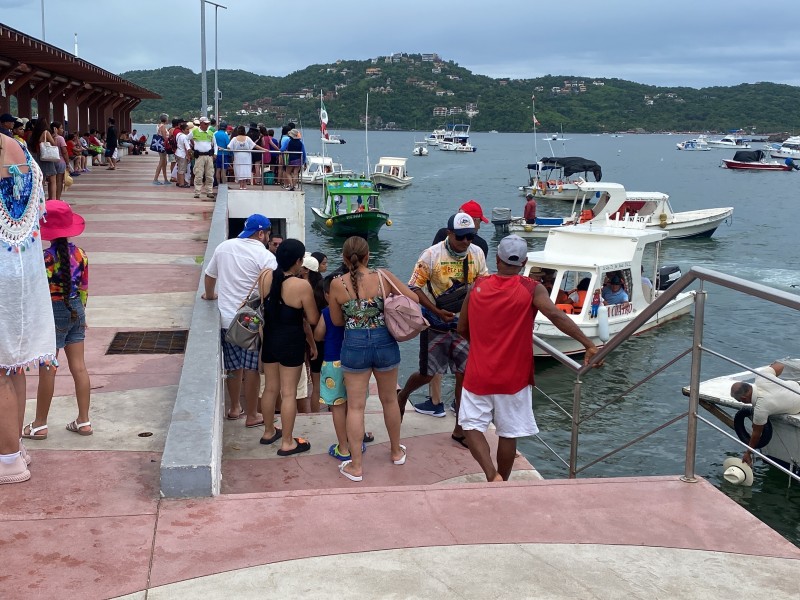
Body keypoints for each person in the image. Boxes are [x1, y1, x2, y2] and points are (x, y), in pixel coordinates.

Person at [457, 235, 599, 482]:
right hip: (514, 376)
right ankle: (503, 479)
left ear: (498, 258)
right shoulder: (532, 288)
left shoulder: (478, 285)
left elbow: (461, 328)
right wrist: (588, 343)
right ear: (523, 262)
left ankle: (492, 476)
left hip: (478, 372)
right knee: (508, 433)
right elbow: (556, 315)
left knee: (470, 426)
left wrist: (480, 345)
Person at [397, 212, 489, 448]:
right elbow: (414, 287)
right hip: (436, 323)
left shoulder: (476, 254)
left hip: (464, 325)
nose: (467, 241)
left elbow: (483, 284)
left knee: (464, 375)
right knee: (427, 373)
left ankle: (459, 430)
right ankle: (404, 394)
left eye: (471, 236)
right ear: (450, 233)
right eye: (462, 237)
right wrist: (436, 312)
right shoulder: (431, 255)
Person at [328, 236, 415, 481]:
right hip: (384, 340)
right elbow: (414, 299)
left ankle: (356, 466)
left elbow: (336, 321)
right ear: (368, 256)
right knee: (389, 400)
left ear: (345, 259)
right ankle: (396, 452)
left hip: (354, 344)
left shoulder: (337, 284)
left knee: (355, 406)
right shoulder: (383, 277)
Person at [0, 132, 56, 485]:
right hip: (24, 265)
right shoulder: (17, 145)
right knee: (14, 365)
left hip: (4, 267)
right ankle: (15, 447)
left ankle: (7, 460)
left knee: (3, 368)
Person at [24, 200, 92, 439]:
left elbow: (34, 292)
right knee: (79, 368)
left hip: (52, 313)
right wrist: (81, 314)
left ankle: (39, 424)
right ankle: (84, 421)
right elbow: (84, 288)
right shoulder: (80, 254)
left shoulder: (44, 259)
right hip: (76, 309)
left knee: (48, 369)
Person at [202, 214, 277, 427]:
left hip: (227, 320)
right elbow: (270, 288)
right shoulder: (265, 256)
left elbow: (210, 276)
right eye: (267, 233)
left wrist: (209, 296)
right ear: (261, 233)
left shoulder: (224, 247)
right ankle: (252, 415)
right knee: (252, 369)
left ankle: (234, 408)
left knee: (233, 367)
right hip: (251, 322)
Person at [258, 239, 319, 456]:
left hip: (270, 340)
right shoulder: (301, 286)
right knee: (289, 393)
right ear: (298, 261)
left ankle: (267, 432)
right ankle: (287, 442)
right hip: (291, 341)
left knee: (270, 388)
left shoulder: (265, 276)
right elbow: (312, 318)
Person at [730, 361, 800, 466]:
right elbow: (780, 365)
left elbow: (756, 434)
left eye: (740, 401)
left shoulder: (760, 409)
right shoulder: (762, 377)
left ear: (744, 398)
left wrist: (748, 453)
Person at [228, 125, 267, 190]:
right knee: (246, 169)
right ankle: (244, 185)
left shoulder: (234, 139)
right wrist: (263, 149)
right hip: (246, 157)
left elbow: (229, 147)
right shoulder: (247, 138)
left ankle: (241, 185)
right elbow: (255, 146)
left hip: (238, 156)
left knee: (239, 169)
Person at [189, 117, 217, 199]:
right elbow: (186, 139)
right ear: (201, 123)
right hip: (199, 156)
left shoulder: (211, 133)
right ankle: (197, 192)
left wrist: (215, 153)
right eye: (205, 123)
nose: (207, 125)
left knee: (209, 174)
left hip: (208, 156)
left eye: (208, 123)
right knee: (198, 174)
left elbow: (215, 144)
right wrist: (189, 149)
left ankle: (209, 191)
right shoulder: (194, 132)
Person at [29, 117, 58, 198]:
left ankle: (40, 198)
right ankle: (53, 199)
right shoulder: (46, 132)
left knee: (42, 179)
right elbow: (54, 144)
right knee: (52, 179)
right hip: (47, 157)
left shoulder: (34, 134)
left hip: (38, 157)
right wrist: (55, 136)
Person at [50, 122, 69, 199]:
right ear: (56, 129)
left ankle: (51, 198)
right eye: (61, 128)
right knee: (59, 181)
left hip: (51, 161)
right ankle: (58, 198)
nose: (62, 130)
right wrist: (67, 163)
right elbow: (64, 151)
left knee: (51, 182)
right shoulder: (60, 138)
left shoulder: (49, 137)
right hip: (60, 161)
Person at [153, 113, 170, 185]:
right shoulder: (163, 127)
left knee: (164, 162)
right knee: (162, 162)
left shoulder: (159, 126)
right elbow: (164, 137)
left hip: (161, 146)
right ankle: (155, 179)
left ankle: (165, 179)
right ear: (165, 119)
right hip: (163, 146)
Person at [174, 122, 192, 188]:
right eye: (187, 129)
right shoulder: (185, 137)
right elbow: (187, 148)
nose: (188, 131)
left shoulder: (178, 135)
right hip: (183, 154)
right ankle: (182, 183)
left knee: (179, 168)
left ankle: (179, 181)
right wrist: (189, 155)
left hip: (178, 153)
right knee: (182, 170)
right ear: (183, 130)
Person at [214, 121, 230, 186]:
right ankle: (223, 184)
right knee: (224, 170)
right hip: (224, 154)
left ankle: (218, 183)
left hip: (216, 154)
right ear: (226, 128)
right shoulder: (225, 135)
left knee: (218, 169)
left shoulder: (215, 134)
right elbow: (228, 145)